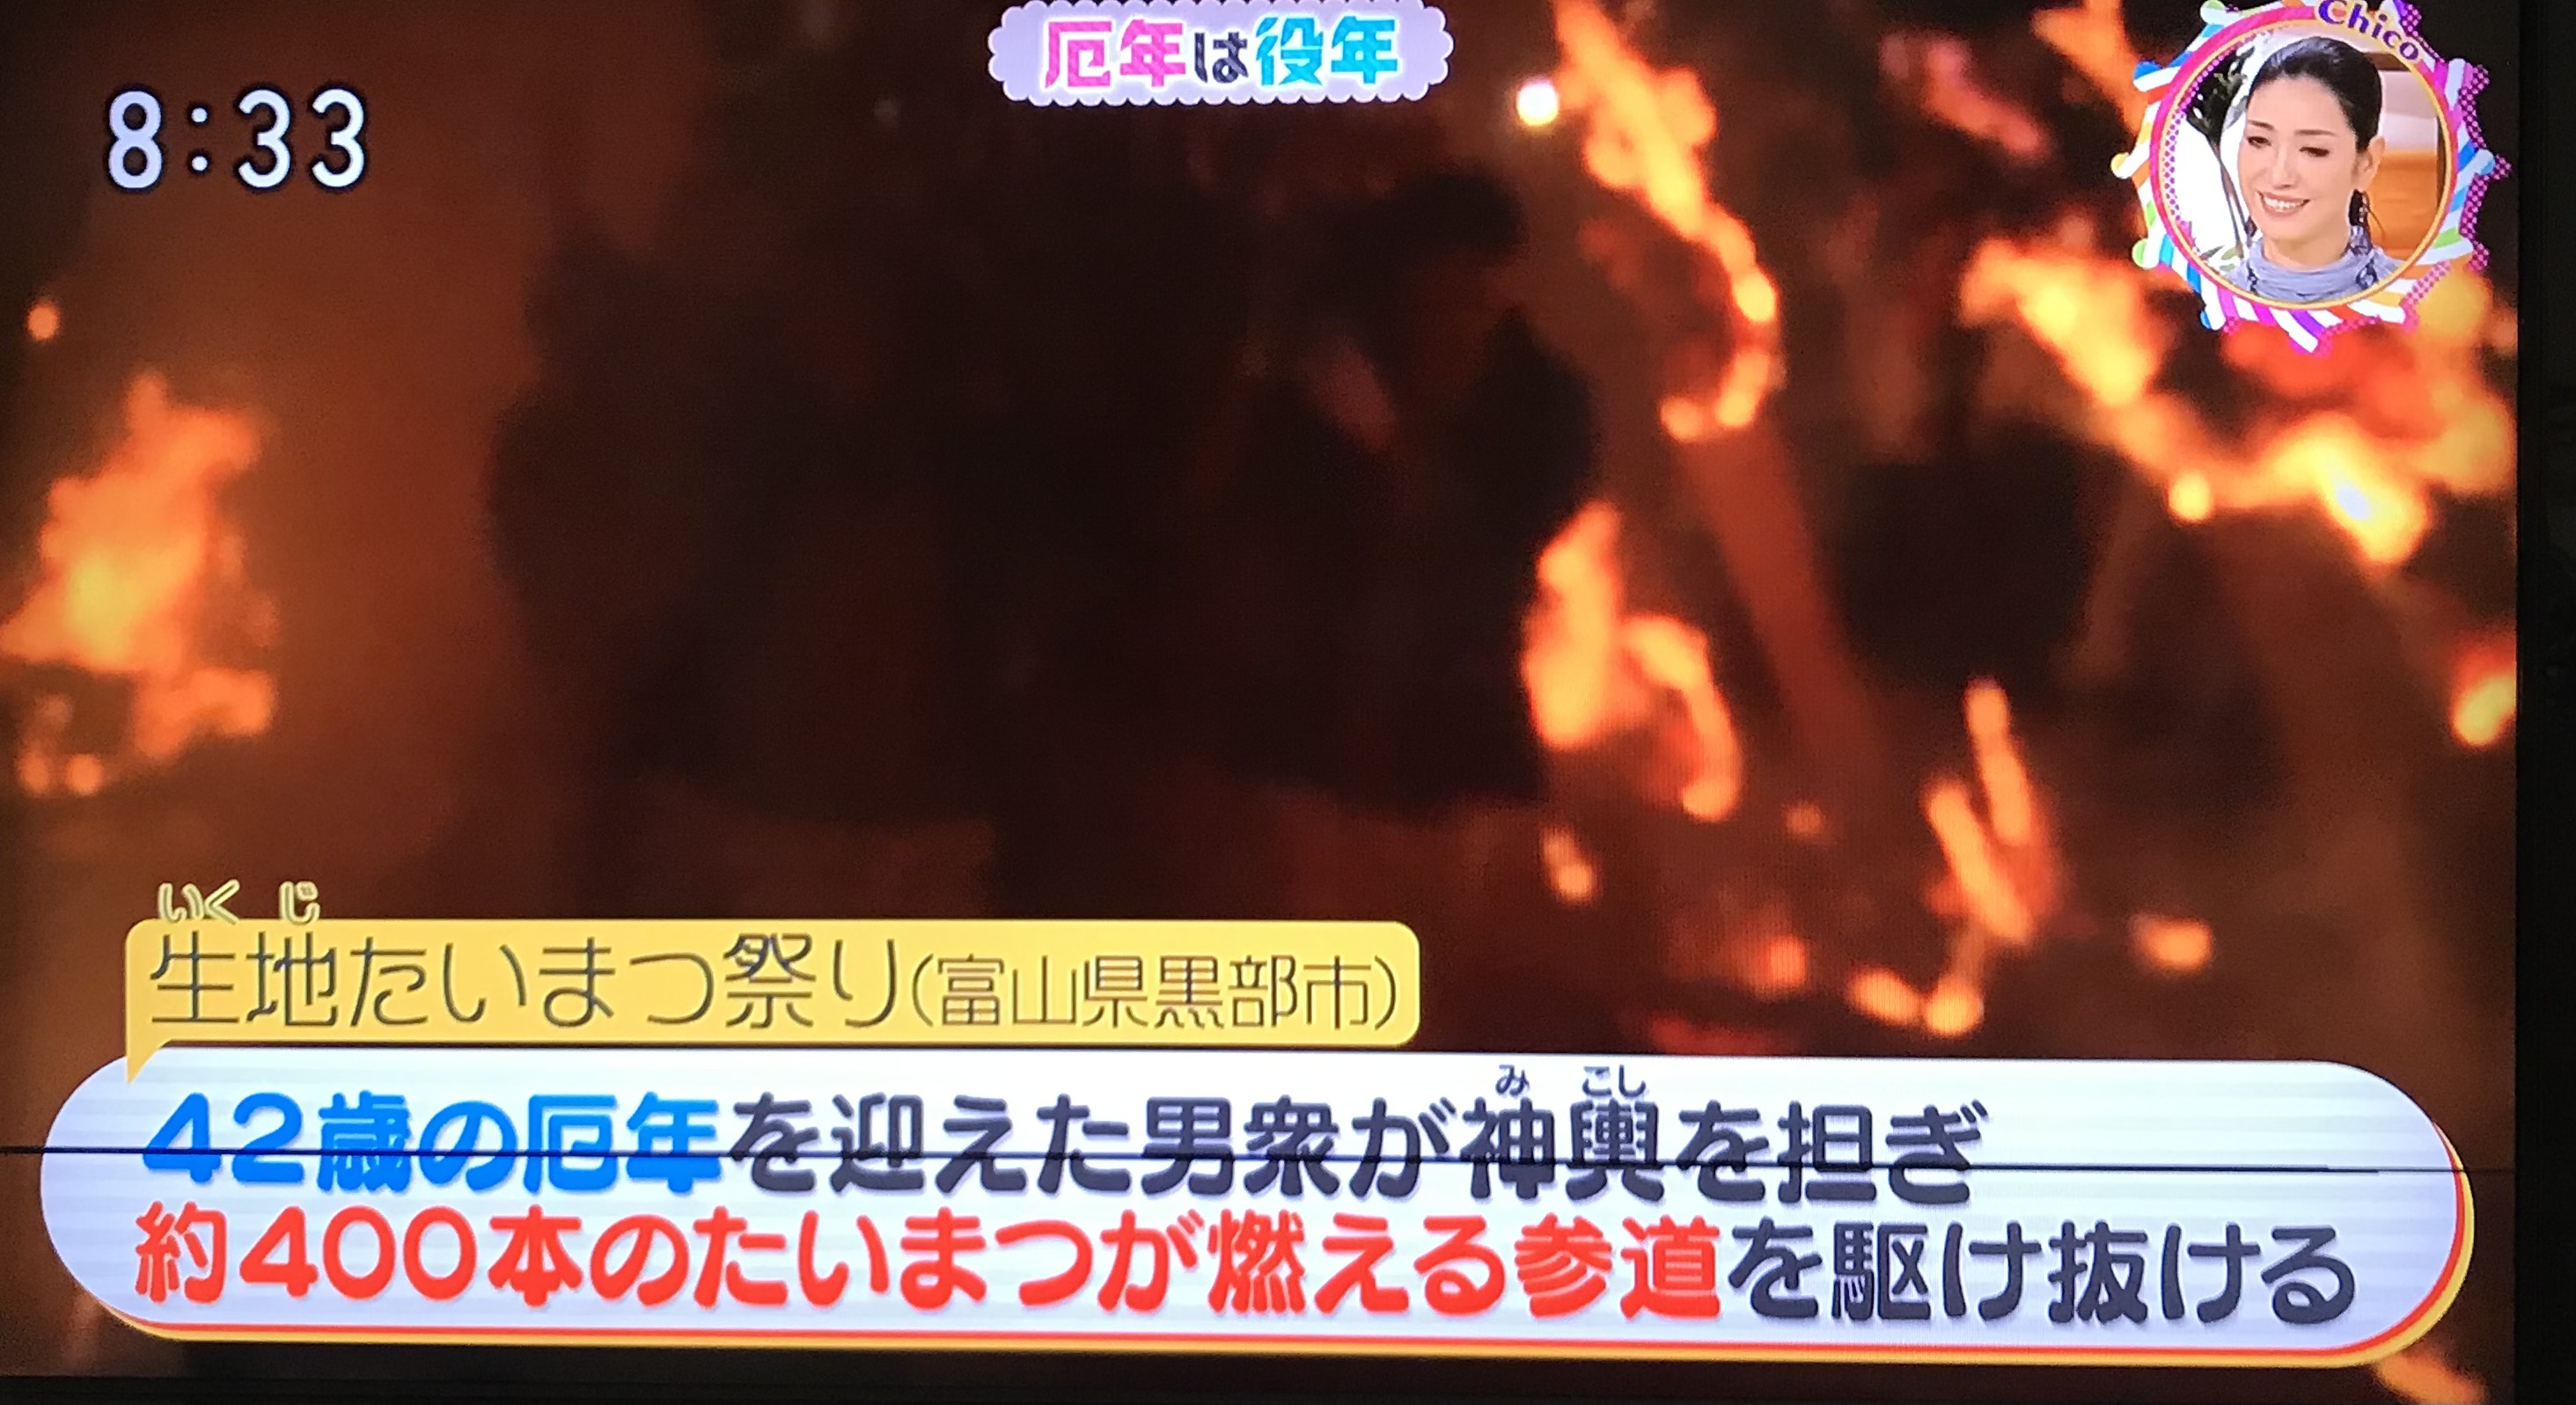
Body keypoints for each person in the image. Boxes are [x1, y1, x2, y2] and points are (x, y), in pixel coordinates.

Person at [2210, 35, 2401, 303]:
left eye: (2313, 150)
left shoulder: (2417, 304)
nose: (2279, 176)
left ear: (2366, 163)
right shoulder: (2205, 306)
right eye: (2259, 140)